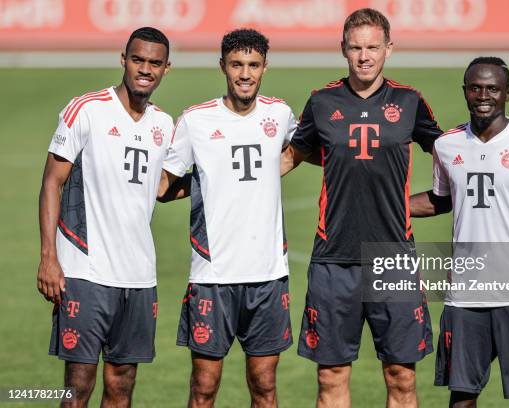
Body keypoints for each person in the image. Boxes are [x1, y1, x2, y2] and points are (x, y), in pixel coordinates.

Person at [281, 8, 442, 408]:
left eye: (373, 47)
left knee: (401, 376)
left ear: (389, 48)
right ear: (343, 50)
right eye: (355, 48)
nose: (364, 56)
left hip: (394, 257)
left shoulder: (409, 102)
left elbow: (453, 158)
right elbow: (288, 159)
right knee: (331, 376)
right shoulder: (321, 102)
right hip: (333, 260)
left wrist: (415, 208)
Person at [410, 57, 509, 407]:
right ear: (465, 91)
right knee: (462, 396)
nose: (483, 95)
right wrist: (390, 206)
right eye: (475, 87)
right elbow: (441, 200)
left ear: (507, 93)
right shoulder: (447, 145)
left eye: (493, 89)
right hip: (465, 296)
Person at [158, 29, 296, 408]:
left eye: (253, 65)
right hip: (212, 276)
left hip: (267, 275)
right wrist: (208, 180)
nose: (245, 74)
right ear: (223, 66)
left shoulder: (280, 113)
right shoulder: (195, 120)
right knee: (203, 388)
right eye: (237, 65)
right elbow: (162, 186)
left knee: (264, 387)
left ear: (265, 67)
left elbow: (297, 151)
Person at [37, 27, 173, 407]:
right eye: (138, 59)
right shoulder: (87, 109)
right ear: (124, 60)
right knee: (77, 387)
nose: (145, 69)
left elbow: (162, 187)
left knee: (121, 388)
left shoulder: (164, 124)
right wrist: (49, 258)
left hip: (138, 276)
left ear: (166, 69)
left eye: (155, 63)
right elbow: (52, 182)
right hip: (85, 272)